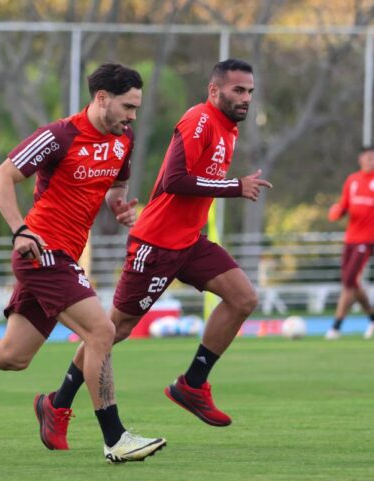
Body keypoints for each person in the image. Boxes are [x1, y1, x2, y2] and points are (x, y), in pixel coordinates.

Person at [0, 63, 166, 464]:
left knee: (12, 356)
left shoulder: (124, 138)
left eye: (136, 108)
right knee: (102, 331)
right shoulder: (59, 135)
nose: (132, 116)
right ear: (102, 98)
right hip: (42, 254)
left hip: (63, 255)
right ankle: (114, 437)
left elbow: (116, 186)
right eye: (127, 106)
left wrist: (118, 206)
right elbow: (2, 177)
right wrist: (20, 230)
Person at [34, 58, 272, 450]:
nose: (245, 98)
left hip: (189, 241)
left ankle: (192, 384)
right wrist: (234, 186)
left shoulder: (229, 129)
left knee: (243, 297)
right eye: (238, 90)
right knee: (113, 331)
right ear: (215, 91)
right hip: (157, 244)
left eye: (249, 92)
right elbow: (175, 180)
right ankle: (56, 405)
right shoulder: (199, 119)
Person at [325, 146, 374, 340]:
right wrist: (337, 211)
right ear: (361, 160)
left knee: (349, 281)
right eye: (368, 158)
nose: (372, 161)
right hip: (350, 238)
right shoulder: (352, 180)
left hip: (368, 239)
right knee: (352, 282)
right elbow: (344, 206)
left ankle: (336, 327)